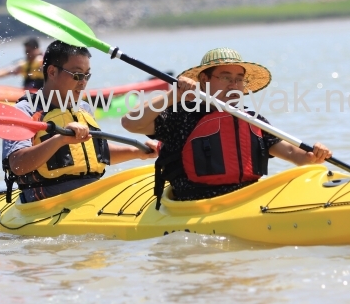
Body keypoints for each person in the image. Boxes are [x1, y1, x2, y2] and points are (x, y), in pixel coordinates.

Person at [121, 47, 331, 207]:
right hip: (194, 206)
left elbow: (295, 154)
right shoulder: (181, 114)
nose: (234, 85)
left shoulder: (251, 118)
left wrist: (315, 155)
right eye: (225, 78)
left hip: (244, 201)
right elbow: (130, 122)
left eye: (239, 80)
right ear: (204, 79)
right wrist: (173, 95)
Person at [2, 40, 158, 203]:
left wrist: (137, 152)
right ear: (52, 72)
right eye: (77, 75)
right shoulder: (24, 111)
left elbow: (97, 151)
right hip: (44, 204)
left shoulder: (83, 108)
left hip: (89, 195)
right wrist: (60, 140)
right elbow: (18, 165)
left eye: (87, 75)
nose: (83, 81)